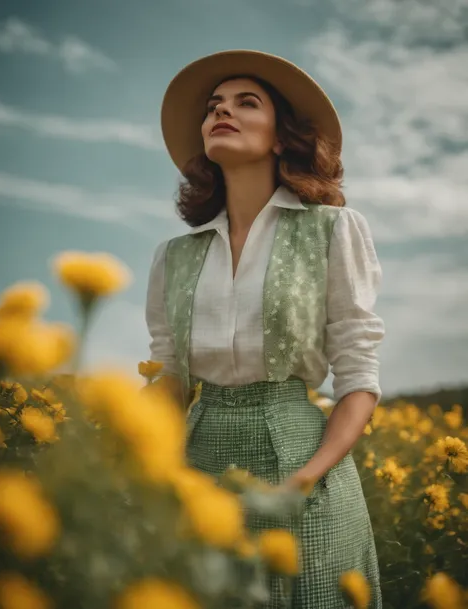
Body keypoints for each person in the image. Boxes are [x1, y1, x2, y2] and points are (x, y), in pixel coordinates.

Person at [146, 50, 385, 608]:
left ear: (281, 138)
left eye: (245, 103)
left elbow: (358, 371)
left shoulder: (334, 230)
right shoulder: (173, 257)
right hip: (198, 460)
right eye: (212, 107)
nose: (220, 112)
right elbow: (170, 378)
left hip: (305, 463)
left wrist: (305, 479)